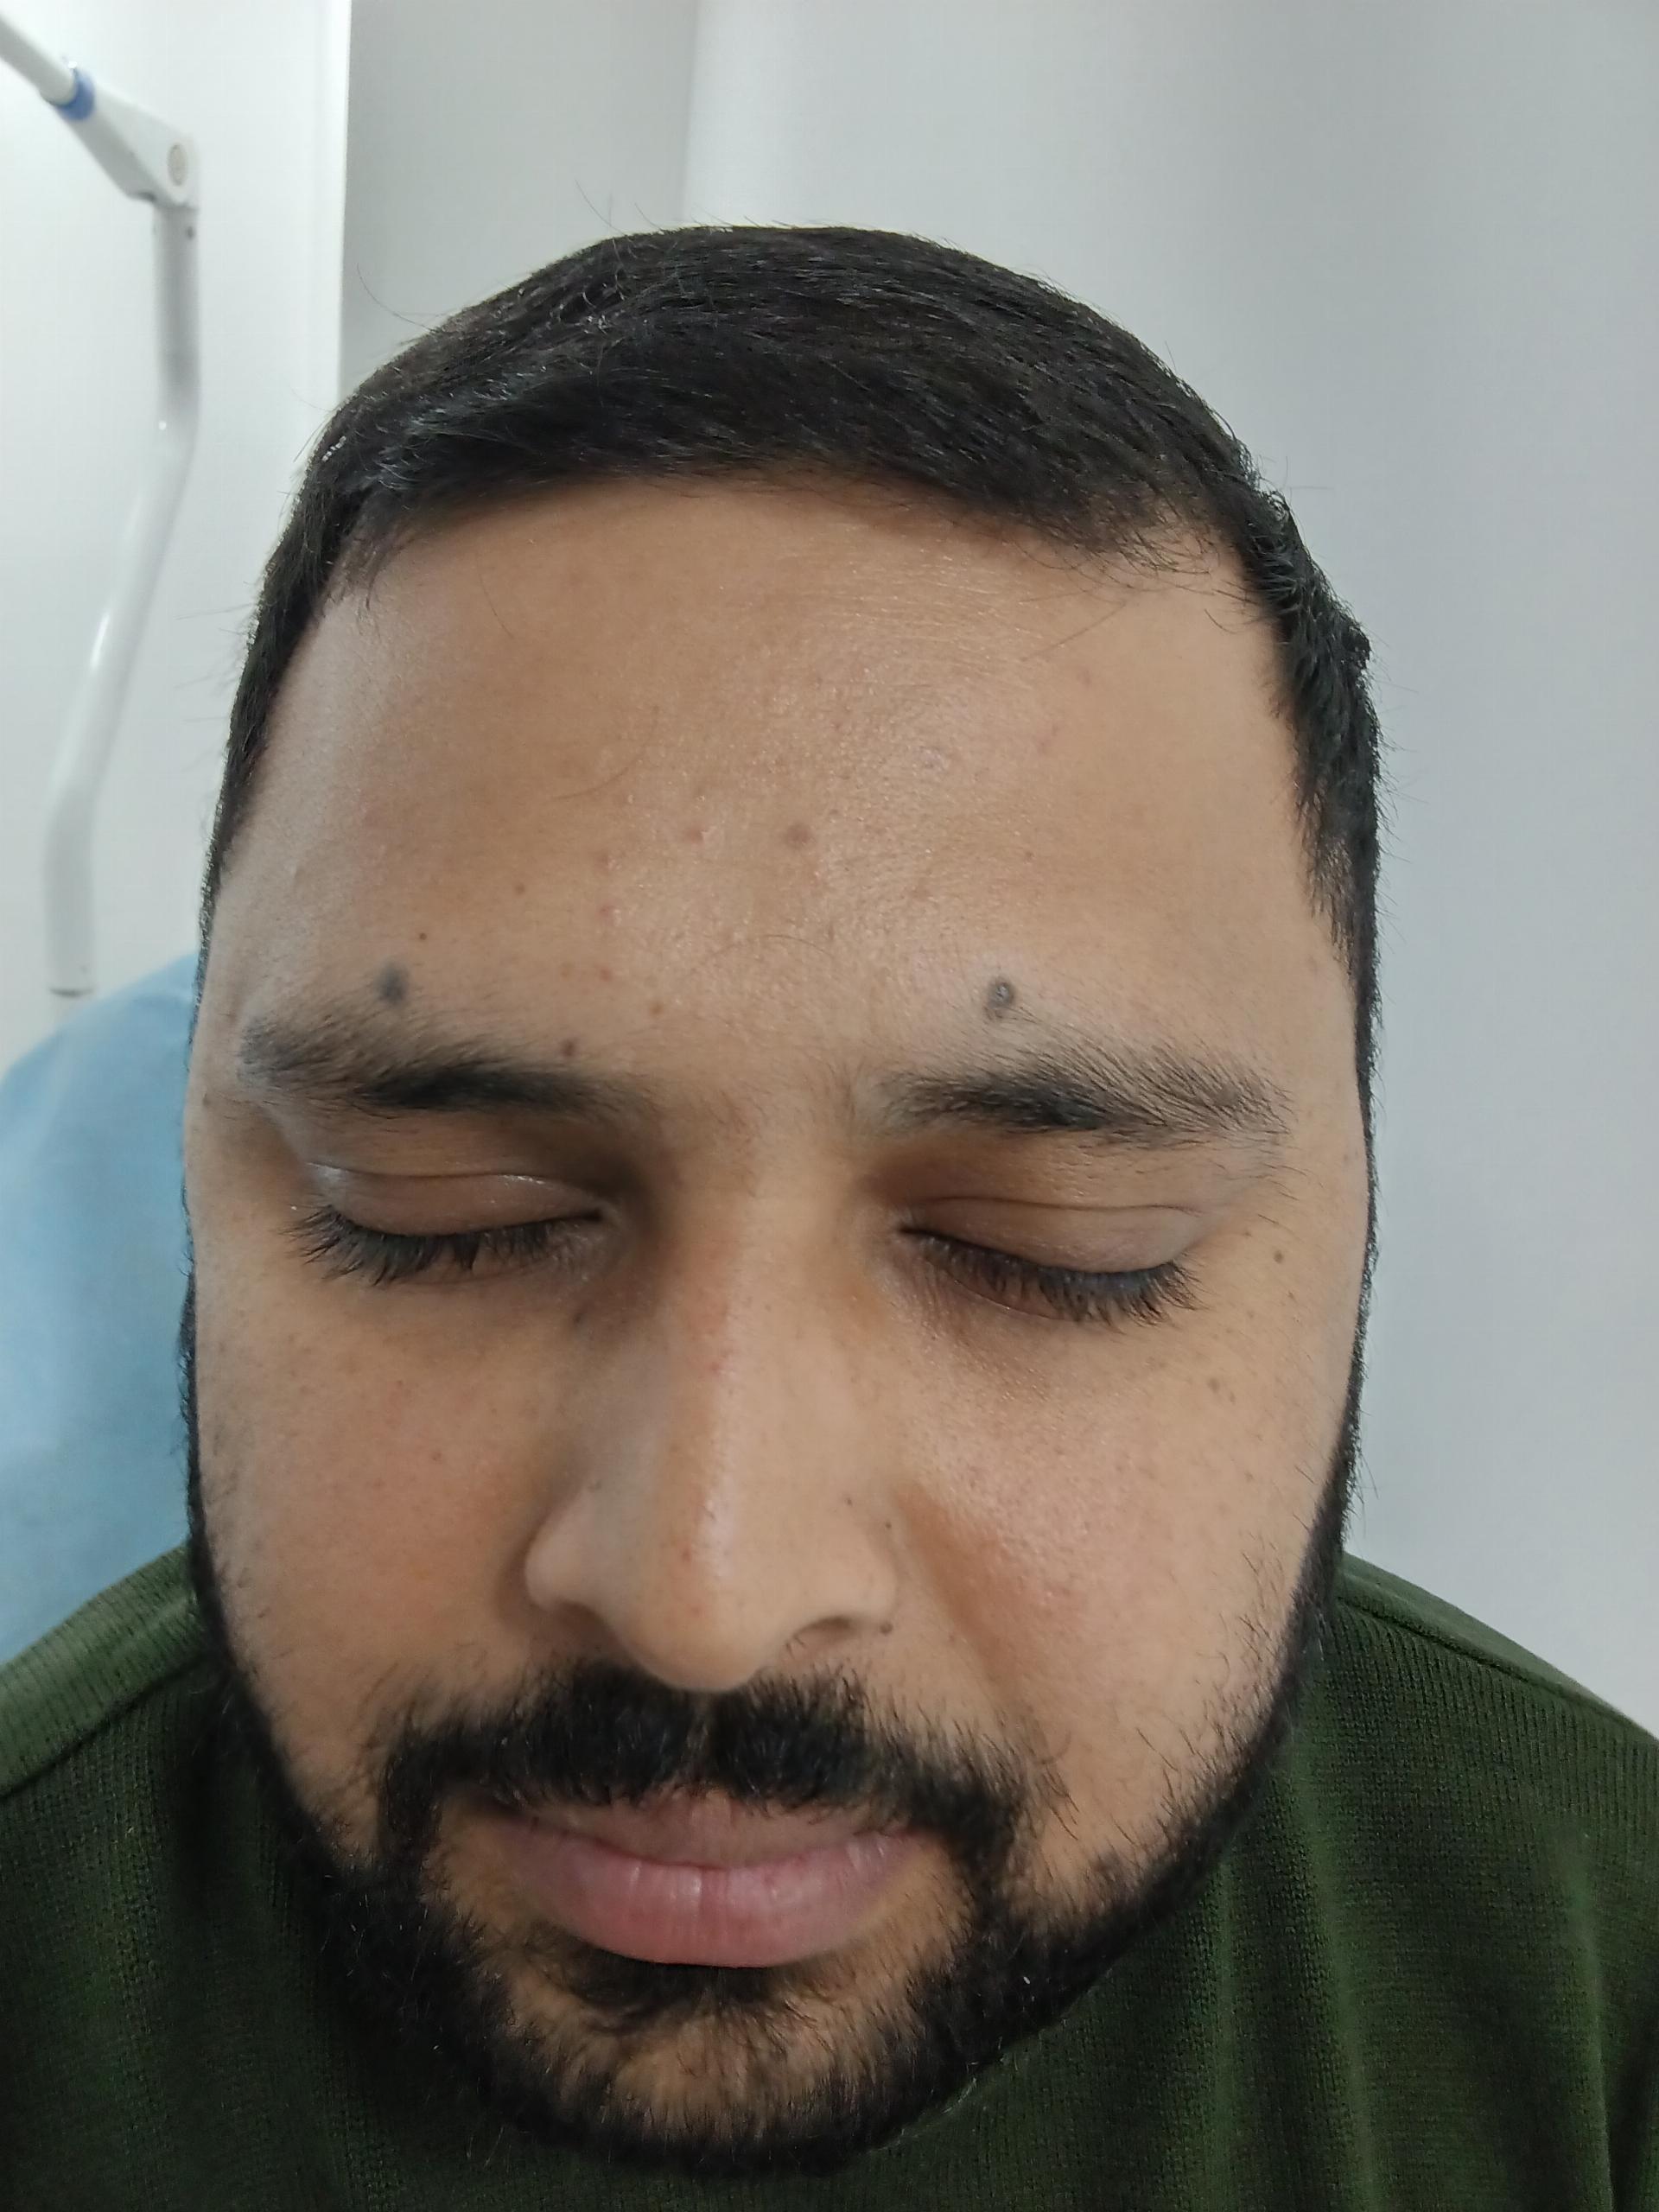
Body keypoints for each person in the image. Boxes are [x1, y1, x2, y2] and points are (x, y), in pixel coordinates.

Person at [1, 226, 1652, 2210]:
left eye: (1052, 1244)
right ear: (199, 1164)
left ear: (1352, 1229)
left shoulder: (1596, 2009)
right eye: (443, 1212)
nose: (705, 1593)